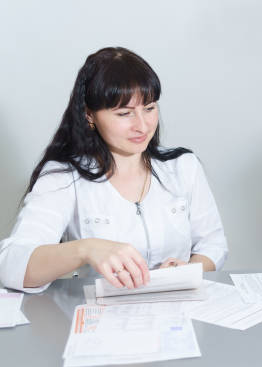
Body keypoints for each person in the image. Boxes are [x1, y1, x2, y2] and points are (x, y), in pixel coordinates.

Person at [0, 47, 228, 293]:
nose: (142, 125)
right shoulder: (63, 177)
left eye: (149, 108)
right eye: (124, 113)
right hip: (100, 321)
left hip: (178, 320)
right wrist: (86, 249)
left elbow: (213, 244)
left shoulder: (183, 166)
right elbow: (12, 265)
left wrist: (187, 271)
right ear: (90, 116)